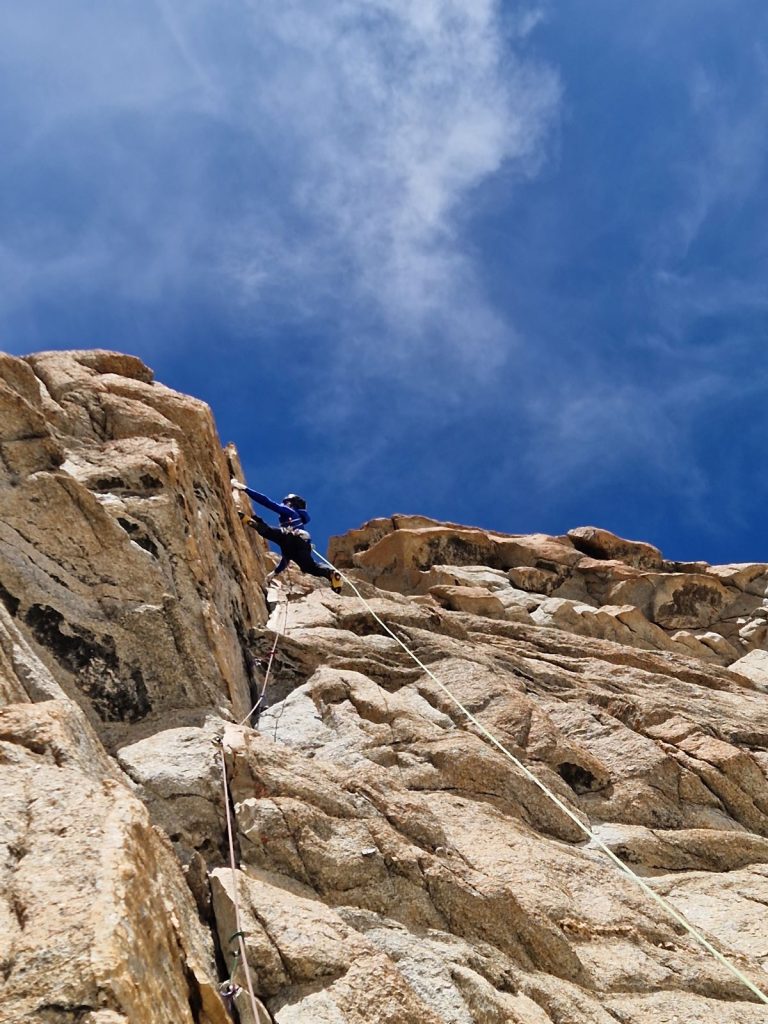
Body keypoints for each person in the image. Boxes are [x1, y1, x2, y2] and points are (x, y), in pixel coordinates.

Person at [231, 480, 342, 593]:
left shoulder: (290, 512)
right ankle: (331, 574)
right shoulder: (299, 521)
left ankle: (253, 522)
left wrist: (245, 489)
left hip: (289, 536)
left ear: (291, 504)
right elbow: (286, 558)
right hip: (300, 545)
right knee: (310, 567)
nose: (284, 504)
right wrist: (275, 573)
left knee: (268, 532)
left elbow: (267, 502)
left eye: (286, 502)